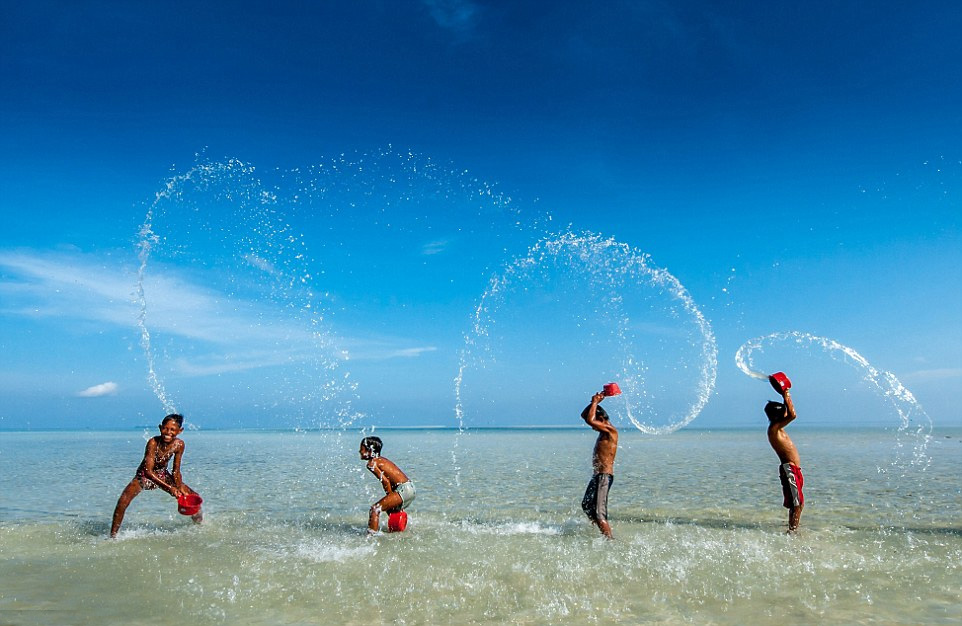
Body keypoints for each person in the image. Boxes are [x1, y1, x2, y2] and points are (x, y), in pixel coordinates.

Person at [110, 413, 202, 537]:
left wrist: (178, 488)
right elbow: (148, 471)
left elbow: (176, 471)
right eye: (165, 428)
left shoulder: (179, 445)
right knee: (122, 502)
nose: (168, 432)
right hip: (144, 476)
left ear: (180, 431)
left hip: (162, 474)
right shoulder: (153, 442)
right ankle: (113, 536)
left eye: (172, 430)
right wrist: (170, 488)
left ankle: (199, 528)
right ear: (160, 428)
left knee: (193, 496)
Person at [580, 391, 618, 539]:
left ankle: (610, 541)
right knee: (586, 505)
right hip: (597, 476)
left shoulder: (610, 430)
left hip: (604, 476)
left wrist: (595, 402)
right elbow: (587, 417)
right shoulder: (603, 432)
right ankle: (598, 532)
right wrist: (595, 402)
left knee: (599, 512)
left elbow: (590, 420)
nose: (592, 427)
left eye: (595, 423)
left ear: (601, 419)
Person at [766, 385, 803, 532]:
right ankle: (793, 532)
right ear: (778, 415)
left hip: (792, 469)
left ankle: (792, 528)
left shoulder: (777, 429)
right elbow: (793, 415)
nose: (786, 412)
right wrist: (786, 394)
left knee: (796, 502)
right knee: (797, 503)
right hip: (789, 468)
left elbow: (789, 413)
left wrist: (784, 397)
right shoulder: (774, 429)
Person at [359, 436, 415, 535]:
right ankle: (397, 530)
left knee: (375, 509)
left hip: (403, 489)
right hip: (410, 488)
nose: (359, 451)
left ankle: (370, 539)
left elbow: (385, 482)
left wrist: (390, 496)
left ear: (370, 449)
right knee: (387, 508)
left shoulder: (372, 463)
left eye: (361, 448)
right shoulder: (381, 460)